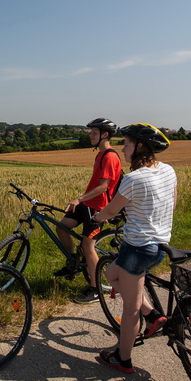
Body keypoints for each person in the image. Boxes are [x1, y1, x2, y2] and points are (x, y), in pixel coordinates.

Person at [92, 123, 176, 374]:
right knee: (110, 274)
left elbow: (111, 210)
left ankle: (123, 357)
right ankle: (152, 315)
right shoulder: (168, 170)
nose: (123, 148)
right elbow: (171, 204)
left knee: (129, 310)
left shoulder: (133, 179)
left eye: (127, 143)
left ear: (140, 147)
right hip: (161, 245)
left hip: (138, 248)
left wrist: (98, 218)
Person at [57, 118, 122, 304]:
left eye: (94, 133)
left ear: (105, 134)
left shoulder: (110, 156)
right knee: (62, 227)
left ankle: (95, 289)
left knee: (88, 246)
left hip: (98, 207)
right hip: (87, 204)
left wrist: (79, 199)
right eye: (91, 132)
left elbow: (103, 187)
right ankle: (73, 264)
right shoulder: (99, 155)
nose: (90, 136)